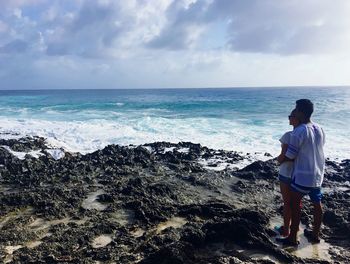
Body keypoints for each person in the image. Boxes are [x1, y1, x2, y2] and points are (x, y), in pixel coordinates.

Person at [277, 99, 325, 246]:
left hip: (303, 175)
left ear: (301, 112)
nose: (294, 111)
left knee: (294, 204)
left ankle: (293, 237)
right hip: (318, 174)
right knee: (317, 204)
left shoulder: (299, 131)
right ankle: (315, 235)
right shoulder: (319, 128)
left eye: (296, 109)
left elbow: (291, 155)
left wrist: (280, 160)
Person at [275, 109, 300, 237]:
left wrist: (278, 160)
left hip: (286, 173)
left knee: (287, 203)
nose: (288, 118)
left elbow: (282, 157)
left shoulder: (288, 135)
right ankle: (295, 228)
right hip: (299, 174)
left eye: (290, 116)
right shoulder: (305, 135)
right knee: (297, 203)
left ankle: (286, 230)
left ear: (296, 119)